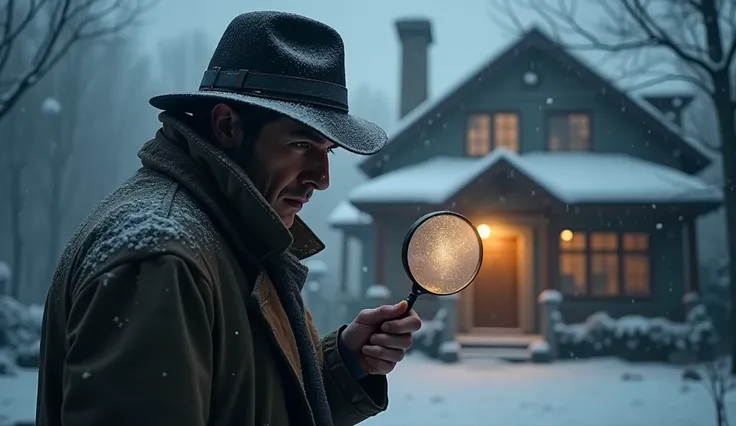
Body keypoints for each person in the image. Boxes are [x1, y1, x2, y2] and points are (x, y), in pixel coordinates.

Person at [35, 11, 422, 426]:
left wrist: (346, 362)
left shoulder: (234, 238)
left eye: (327, 151)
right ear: (226, 125)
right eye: (299, 143)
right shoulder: (159, 258)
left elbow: (252, 403)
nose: (322, 178)